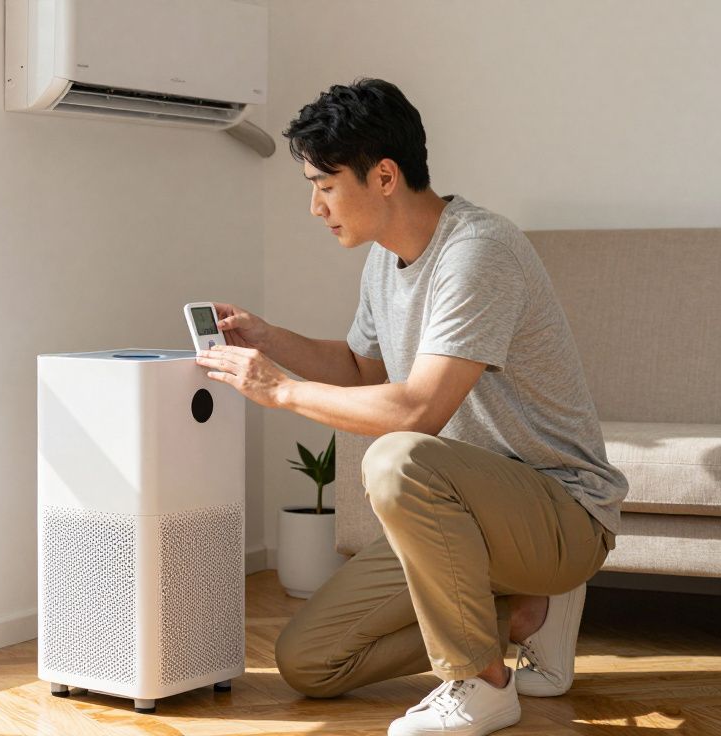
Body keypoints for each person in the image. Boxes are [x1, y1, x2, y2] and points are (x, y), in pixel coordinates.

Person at [194, 78, 628, 736]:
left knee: (397, 459)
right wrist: (267, 337)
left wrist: (278, 389)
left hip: (558, 512)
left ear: (385, 176)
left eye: (326, 185)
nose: (316, 207)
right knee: (309, 661)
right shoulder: (383, 261)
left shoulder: (478, 253)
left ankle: (480, 684)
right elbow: (358, 370)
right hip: (469, 516)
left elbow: (416, 412)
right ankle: (520, 615)